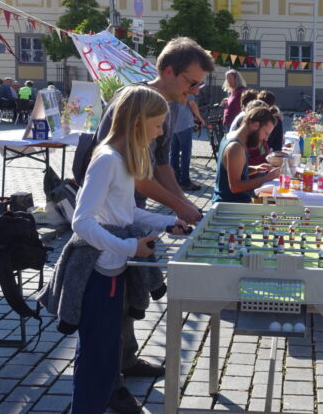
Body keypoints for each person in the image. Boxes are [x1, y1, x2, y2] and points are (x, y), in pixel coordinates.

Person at [39, 86, 188, 414]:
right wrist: (129, 245)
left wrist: (166, 223)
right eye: (158, 124)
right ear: (138, 123)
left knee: (109, 349)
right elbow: (82, 223)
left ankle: (106, 397)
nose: (162, 132)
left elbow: (125, 213)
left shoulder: (120, 159)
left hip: (113, 269)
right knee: (96, 353)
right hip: (98, 273)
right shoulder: (107, 160)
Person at [88, 37, 214, 413]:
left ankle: (125, 360)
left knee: (128, 294)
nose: (195, 92)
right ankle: (108, 381)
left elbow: (162, 168)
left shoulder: (168, 107)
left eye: (199, 86)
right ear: (168, 71)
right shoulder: (134, 105)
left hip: (133, 215)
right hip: (111, 220)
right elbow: (137, 176)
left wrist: (184, 207)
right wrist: (178, 206)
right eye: (192, 83)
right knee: (109, 303)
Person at [213, 106, 281, 203]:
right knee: (279, 207)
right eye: (266, 133)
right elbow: (235, 187)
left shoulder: (230, 136)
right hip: (231, 206)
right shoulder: (236, 147)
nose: (266, 139)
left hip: (230, 201)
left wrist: (255, 169)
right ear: (256, 125)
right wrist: (266, 178)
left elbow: (233, 172)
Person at [169, 93, 206, 192]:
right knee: (185, 155)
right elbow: (192, 104)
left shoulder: (171, 86)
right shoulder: (184, 87)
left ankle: (175, 181)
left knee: (174, 154)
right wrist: (200, 118)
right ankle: (185, 182)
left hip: (173, 126)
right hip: (184, 125)